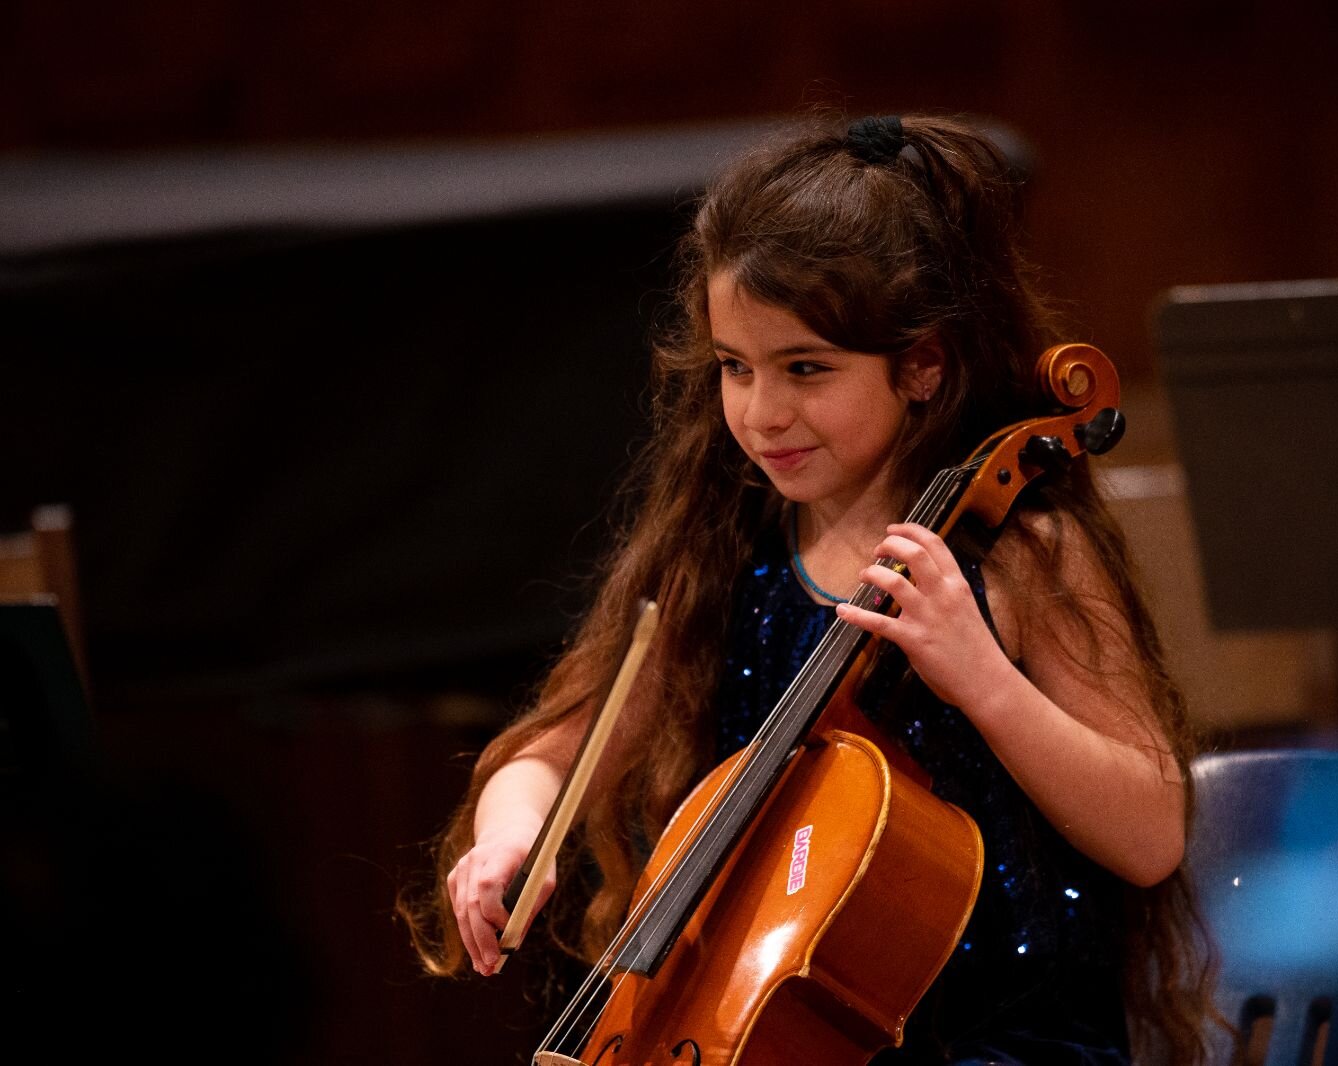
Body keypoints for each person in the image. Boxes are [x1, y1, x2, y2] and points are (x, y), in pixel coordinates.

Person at [399, 112, 1215, 1065]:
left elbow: (1152, 833)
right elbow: (556, 750)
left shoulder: (1025, 554)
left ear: (924, 365)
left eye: (806, 370)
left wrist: (984, 680)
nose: (760, 413)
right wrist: (511, 838)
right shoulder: (724, 543)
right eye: (735, 369)